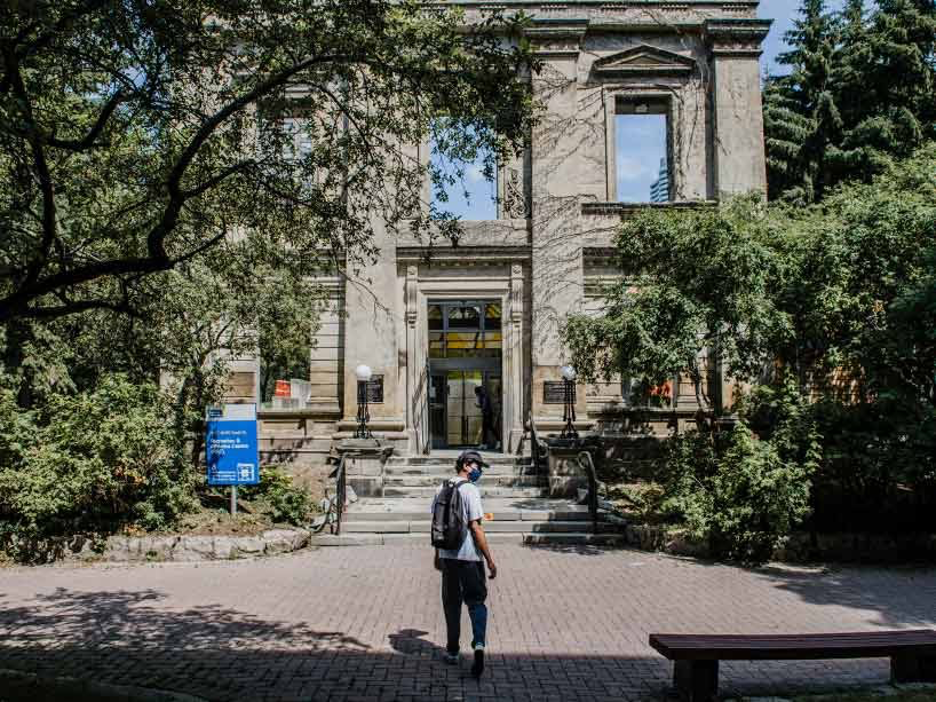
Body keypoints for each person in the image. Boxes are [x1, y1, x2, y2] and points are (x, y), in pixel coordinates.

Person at [431, 449, 498, 678]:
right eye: (478, 467)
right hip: (469, 557)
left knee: (451, 604)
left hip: (448, 557)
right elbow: (476, 527)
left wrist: (437, 555)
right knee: (477, 602)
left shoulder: (440, 488)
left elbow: (436, 525)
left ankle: (452, 651)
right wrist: (489, 559)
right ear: (467, 465)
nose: (479, 471)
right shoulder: (470, 490)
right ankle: (478, 646)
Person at [474, 385, 496, 450]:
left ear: (478, 392)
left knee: (490, 428)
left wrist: (480, 407)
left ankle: (498, 441)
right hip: (487, 414)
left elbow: (484, 405)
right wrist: (478, 406)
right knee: (486, 429)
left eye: (475, 392)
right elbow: (483, 405)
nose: (475, 394)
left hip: (487, 415)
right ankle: (484, 444)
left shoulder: (483, 396)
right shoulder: (483, 396)